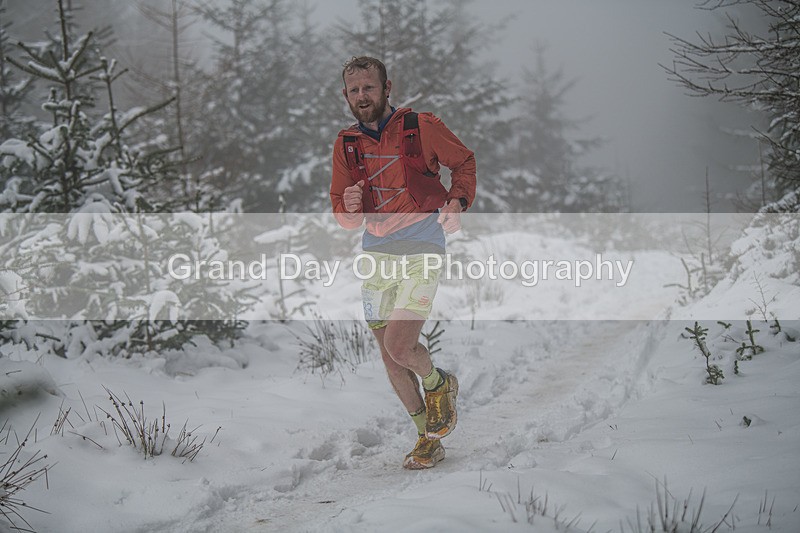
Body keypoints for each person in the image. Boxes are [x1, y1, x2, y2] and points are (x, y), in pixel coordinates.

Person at [330, 56, 476, 469]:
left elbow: (464, 161)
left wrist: (458, 200)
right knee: (388, 355)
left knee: (400, 345)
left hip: (422, 244)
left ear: (386, 87)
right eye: (354, 90)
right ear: (346, 95)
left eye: (369, 88)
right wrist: (350, 207)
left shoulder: (420, 127)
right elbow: (341, 211)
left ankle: (439, 383)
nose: (362, 96)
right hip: (377, 251)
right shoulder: (346, 144)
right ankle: (427, 438)